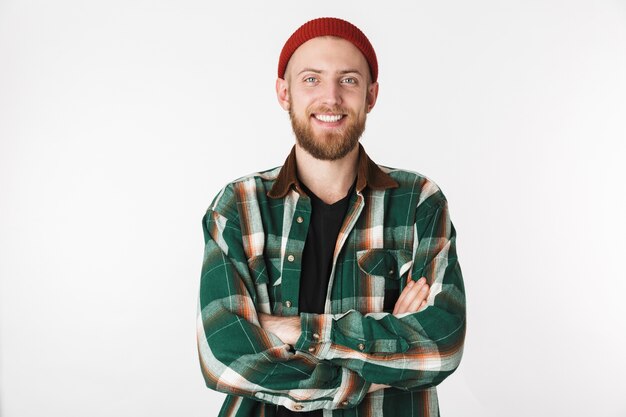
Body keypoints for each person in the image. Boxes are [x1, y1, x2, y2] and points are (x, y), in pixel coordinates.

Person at [197, 17, 466, 417]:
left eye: (349, 80)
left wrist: (295, 330)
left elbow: (442, 345)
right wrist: (381, 357)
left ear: (371, 96)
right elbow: (223, 356)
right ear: (283, 93)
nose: (331, 97)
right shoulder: (237, 206)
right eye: (311, 79)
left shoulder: (418, 202)